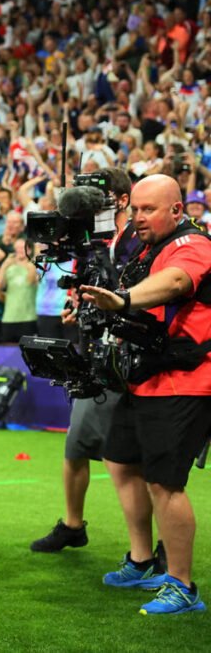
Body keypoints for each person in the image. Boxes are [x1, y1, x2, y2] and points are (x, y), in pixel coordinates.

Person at [80, 173, 211, 615]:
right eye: (134, 208)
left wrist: (122, 300)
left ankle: (182, 585)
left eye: (148, 209)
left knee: (166, 483)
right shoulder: (148, 249)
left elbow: (176, 283)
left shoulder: (192, 244)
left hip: (185, 378)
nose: (137, 217)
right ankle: (142, 560)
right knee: (120, 459)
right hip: (146, 376)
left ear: (177, 210)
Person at [32, 167, 142, 553]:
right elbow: (82, 285)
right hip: (94, 352)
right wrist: (76, 306)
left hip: (128, 357)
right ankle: (73, 525)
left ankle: (145, 550)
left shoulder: (134, 242)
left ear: (122, 199)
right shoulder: (88, 245)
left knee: (123, 461)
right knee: (76, 448)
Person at [0, 239, 39, 342]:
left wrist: (30, 261)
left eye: (22, 248)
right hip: (9, 317)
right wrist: (4, 266)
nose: (19, 251)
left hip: (28, 318)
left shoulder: (32, 267)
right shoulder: (10, 268)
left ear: (28, 250)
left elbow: (30, 280)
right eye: (17, 248)